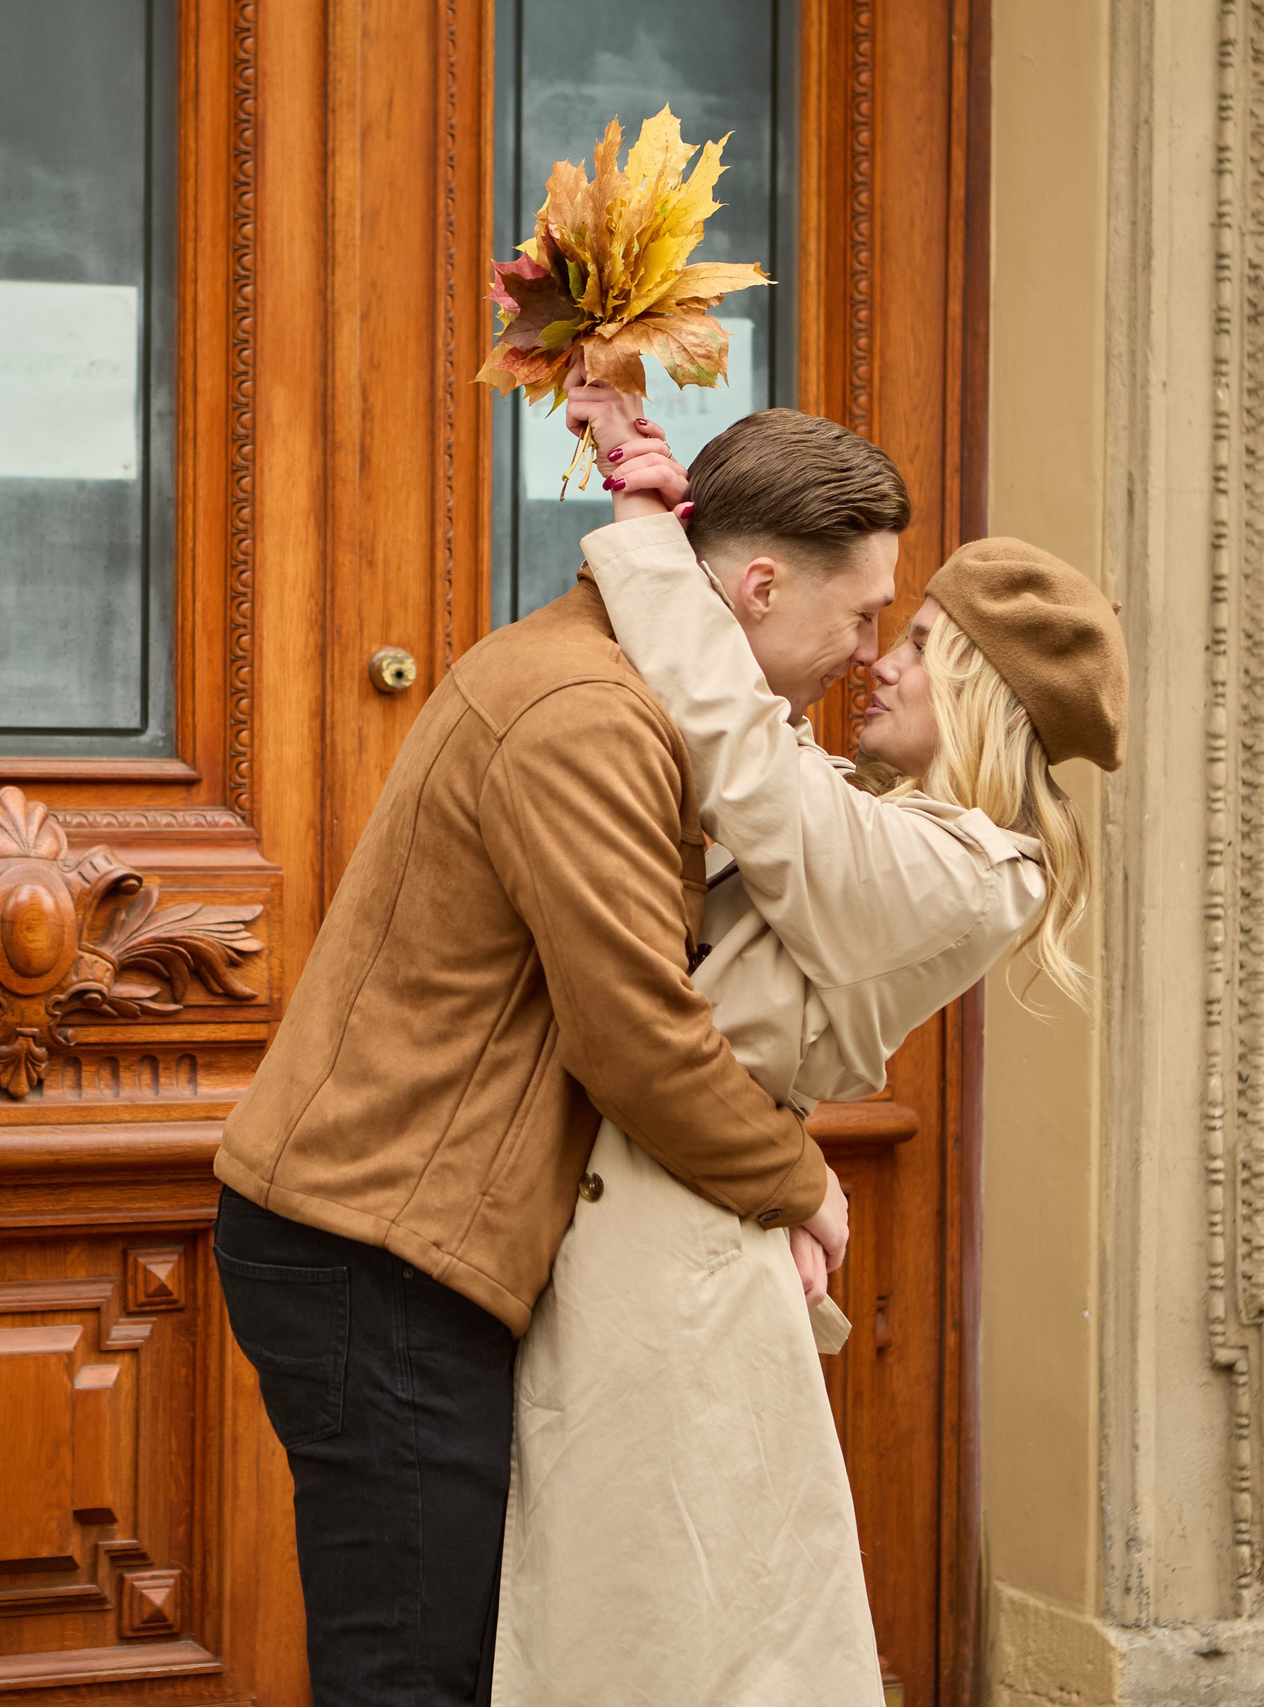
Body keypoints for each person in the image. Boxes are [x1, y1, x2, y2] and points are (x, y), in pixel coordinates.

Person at [210, 409, 886, 1703]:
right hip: (380, 1250)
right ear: (758, 587)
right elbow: (636, 1037)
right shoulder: (590, 713)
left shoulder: (613, 687)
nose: (865, 655)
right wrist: (804, 1183)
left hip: (394, 1238)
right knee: (416, 1674)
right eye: (856, 618)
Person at [489, 392, 1126, 1706]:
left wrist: (645, 543)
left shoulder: (974, 869)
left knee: (669, 1631)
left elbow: (742, 768)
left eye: (920, 641)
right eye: (882, 624)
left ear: (984, 695)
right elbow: (751, 733)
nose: (877, 658)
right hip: (655, 1210)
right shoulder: (871, 809)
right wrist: (677, 519)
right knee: (654, 1622)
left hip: (677, 1250)